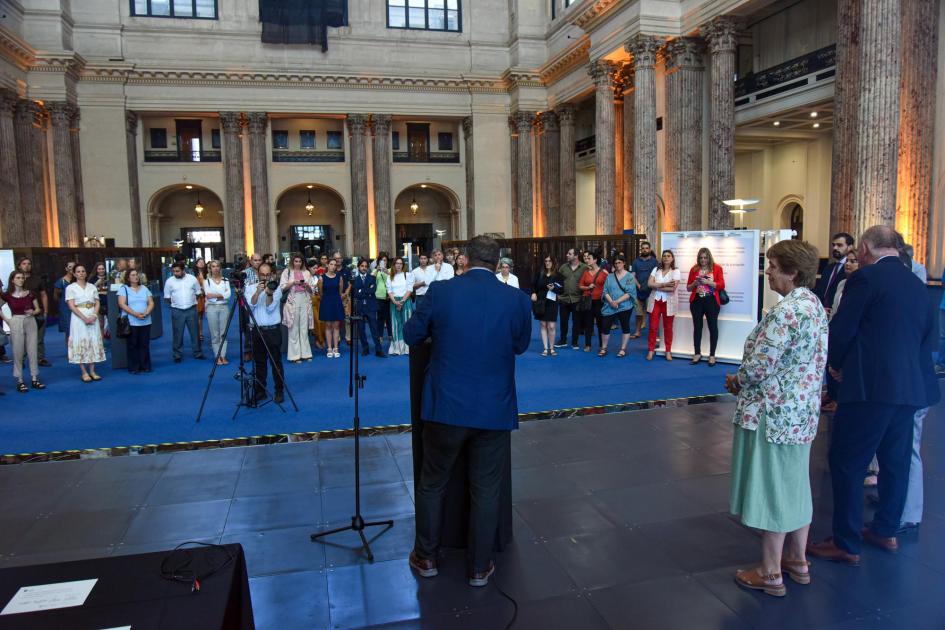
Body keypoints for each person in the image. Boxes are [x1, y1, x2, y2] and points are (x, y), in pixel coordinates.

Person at [807, 226, 940, 566]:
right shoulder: (918, 283)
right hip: (910, 389)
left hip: (870, 387)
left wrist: (835, 368)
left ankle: (846, 541)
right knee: (895, 463)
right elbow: (929, 338)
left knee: (847, 462)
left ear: (865, 247)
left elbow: (843, 329)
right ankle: (886, 530)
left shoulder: (865, 280)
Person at [405, 234, 532, 588]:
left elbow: (412, 334)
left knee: (433, 484)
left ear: (465, 259)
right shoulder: (517, 300)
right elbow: (521, 346)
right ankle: (479, 566)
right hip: (493, 408)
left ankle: (427, 557)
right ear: (497, 262)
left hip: (445, 406)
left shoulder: (442, 292)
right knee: (486, 489)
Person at [726, 239, 827, 597]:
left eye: (771, 266)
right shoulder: (813, 306)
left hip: (774, 414)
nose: (767, 272)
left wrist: (737, 380)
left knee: (772, 489)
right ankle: (798, 561)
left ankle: (770, 573)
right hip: (801, 413)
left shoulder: (786, 312)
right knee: (795, 485)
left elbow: (759, 366)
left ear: (792, 272)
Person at [3, 271, 45, 392]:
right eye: (18, 278)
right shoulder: (7, 295)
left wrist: (33, 312)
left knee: (33, 350)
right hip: (16, 321)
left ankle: (34, 378)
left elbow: (37, 309)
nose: (21, 280)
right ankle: (20, 380)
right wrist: (8, 320)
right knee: (18, 351)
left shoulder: (30, 294)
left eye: (22, 278)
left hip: (30, 321)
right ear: (12, 280)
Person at [249, 262, 285, 404]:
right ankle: (260, 391)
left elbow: (270, 308)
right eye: (262, 275)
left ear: (272, 275)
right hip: (257, 330)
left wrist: (269, 293)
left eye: (267, 275)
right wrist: (258, 292)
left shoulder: (277, 289)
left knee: (276, 363)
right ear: (258, 274)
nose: (265, 277)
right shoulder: (250, 288)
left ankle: (279, 391)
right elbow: (251, 305)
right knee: (259, 363)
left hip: (273, 330)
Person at [66, 264, 106, 382]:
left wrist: (94, 315)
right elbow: (71, 305)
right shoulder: (71, 288)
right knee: (81, 340)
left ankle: (92, 371)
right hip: (78, 317)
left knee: (93, 340)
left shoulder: (92, 287)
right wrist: (84, 318)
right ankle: (84, 371)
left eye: (83, 271)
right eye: (78, 271)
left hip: (92, 315)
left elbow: (97, 302)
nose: (81, 273)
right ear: (74, 274)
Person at [687, 247, 725, 366]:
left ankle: (712, 355)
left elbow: (722, 285)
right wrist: (695, 283)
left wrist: (708, 282)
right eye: (701, 258)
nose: (703, 260)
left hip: (711, 301)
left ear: (709, 257)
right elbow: (688, 288)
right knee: (697, 327)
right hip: (697, 301)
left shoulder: (717, 268)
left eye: (705, 257)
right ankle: (697, 353)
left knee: (713, 327)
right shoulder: (694, 269)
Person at [163, 261, 205, 363]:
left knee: (195, 332)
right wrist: (176, 304)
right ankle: (177, 355)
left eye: (177, 271)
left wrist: (191, 301)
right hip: (177, 310)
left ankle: (197, 352)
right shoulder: (169, 281)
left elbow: (199, 293)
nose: (175, 273)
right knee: (177, 334)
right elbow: (167, 298)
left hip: (191, 309)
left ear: (183, 270)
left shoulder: (192, 279)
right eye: (173, 271)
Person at [280, 254, 317, 363]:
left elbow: (312, 291)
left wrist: (307, 286)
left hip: (305, 301)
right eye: (296, 261)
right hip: (293, 301)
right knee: (293, 328)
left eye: (300, 261)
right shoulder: (287, 272)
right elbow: (282, 288)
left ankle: (306, 353)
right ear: (292, 261)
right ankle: (294, 356)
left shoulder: (306, 273)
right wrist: (292, 283)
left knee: (304, 328)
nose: (298, 263)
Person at [598, 255, 637, 358]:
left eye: (619, 262)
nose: (617, 265)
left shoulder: (629, 276)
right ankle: (604, 348)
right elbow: (605, 291)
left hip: (625, 306)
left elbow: (630, 292)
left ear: (624, 263)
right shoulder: (610, 276)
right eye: (615, 263)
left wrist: (617, 302)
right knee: (605, 326)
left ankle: (623, 349)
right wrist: (611, 302)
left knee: (625, 326)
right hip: (609, 305)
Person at [645, 250, 680, 361]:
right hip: (655, 300)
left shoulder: (675, 271)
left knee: (668, 328)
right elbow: (649, 284)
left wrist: (657, 286)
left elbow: (672, 288)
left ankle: (668, 351)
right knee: (653, 327)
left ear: (672, 258)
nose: (666, 258)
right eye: (664, 256)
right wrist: (664, 284)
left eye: (668, 256)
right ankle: (651, 350)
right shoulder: (656, 269)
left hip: (668, 302)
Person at [118, 268, 154, 374]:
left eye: (136, 274)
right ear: (128, 278)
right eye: (133, 275)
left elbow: (151, 302)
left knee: (144, 344)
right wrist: (135, 314)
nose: (136, 277)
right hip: (131, 321)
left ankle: (145, 365)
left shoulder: (144, 288)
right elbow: (122, 304)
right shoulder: (123, 289)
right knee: (132, 344)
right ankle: (134, 367)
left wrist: (147, 312)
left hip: (146, 321)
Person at [17, 257, 51, 367]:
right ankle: (21, 360)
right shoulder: (16, 279)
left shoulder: (37, 279)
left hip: (38, 312)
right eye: (24, 263)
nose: (26, 265)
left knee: (39, 338)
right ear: (19, 266)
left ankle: (40, 358)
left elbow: (43, 295)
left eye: (28, 263)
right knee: (23, 339)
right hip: (22, 314)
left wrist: (45, 311)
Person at [351, 258, 386, 357]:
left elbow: (372, 291)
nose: (364, 268)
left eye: (366, 266)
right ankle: (365, 348)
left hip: (371, 307)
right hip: (360, 307)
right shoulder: (355, 280)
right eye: (362, 266)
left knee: (374, 330)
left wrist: (361, 290)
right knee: (361, 330)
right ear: (358, 267)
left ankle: (379, 349)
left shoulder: (372, 278)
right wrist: (366, 290)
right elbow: (355, 294)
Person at [814, 232, 855, 313]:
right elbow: (820, 290)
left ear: (849, 247)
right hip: (820, 311)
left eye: (839, 245)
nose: (835, 248)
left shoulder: (851, 269)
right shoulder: (828, 268)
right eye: (833, 245)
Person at [531, 254, 563, 356]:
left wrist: (554, 289)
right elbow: (533, 285)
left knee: (552, 326)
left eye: (549, 261)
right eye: (546, 261)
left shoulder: (558, 275)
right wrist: (533, 293)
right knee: (543, 324)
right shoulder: (539, 273)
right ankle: (545, 348)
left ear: (553, 262)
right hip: (541, 301)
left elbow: (562, 290)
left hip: (552, 302)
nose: (547, 263)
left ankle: (552, 348)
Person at [555, 248, 586, 349]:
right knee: (563, 321)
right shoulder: (563, 267)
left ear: (576, 256)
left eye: (569, 254)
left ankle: (575, 342)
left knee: (576, 322)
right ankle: (563, 340)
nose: (567, 255)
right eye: (567, 253)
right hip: (564, 298)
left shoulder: (584, 267)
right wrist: (558, 294)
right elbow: (557, 280)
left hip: (577, 299)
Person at [578, 251, 608, 353]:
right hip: (587, 300)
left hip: (600, 301)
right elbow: (580, 286)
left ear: (595, 260)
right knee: (588, 324)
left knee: (600, 324)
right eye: (586, 258)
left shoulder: (604, 273)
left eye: (589, 258)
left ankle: (601, 345)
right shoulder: (585, 272)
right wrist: (588, 287)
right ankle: (587, 344)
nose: (587, 260)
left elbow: (608, 287)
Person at [204, 260, 231, 365]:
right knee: (215, 334)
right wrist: (221, 295)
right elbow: (208, 296)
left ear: (220, 268)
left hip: (224, 308)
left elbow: (228, 295)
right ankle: (217, 356)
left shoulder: (226, 280)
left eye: (217, 266)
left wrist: (216, 295)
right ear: (210, 268)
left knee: (224, 333)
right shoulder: (207, 281)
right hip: (211, 308)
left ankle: (223, 355)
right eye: (213, 266)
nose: (215, 268)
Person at [318, 259, 346, 358]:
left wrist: (336, 298)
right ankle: (329, 347)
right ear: (327, 265)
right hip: (326, 302)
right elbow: (320, 292)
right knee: (328, 325)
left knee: (337, 326)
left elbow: (340, 291)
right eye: (331, 264)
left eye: (335, 264)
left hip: (336, 301)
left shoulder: (339, 277)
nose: (333, 266)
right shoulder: (321, 278)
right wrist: (325, 299)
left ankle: (336, 347)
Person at [631, 241, 659, 339]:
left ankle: (654, 334)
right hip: (638, 291)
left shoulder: (655, 262)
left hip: (651, 292)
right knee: (638, 313)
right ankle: (637, 331)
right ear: (641, 250)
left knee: (652, 314)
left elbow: (658, 276)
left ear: (650, 249)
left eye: (647, 248)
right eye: (643, 248)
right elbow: (632, 275)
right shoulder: (636, 261)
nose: (645, 250)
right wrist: (638, 285)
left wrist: (651, 285)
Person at [53, 261, 75, 346]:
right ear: (66, 268)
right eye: (70, 267)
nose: (72, 269)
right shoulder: (61, 281)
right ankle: (70, 351)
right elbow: (55, 296)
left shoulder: (78, 280)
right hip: (65, 308)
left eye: (74, 267)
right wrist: (64, 303)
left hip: (77, 306)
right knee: (69, 330)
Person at [373, 253, 392, 342]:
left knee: (389, 317)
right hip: (379, 296)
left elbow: (394, 278)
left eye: (385, 260)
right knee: (380, 317)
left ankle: (390, 335)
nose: (383, 262)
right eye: (381, 260)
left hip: (389, 296)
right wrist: (377, 270)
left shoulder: (390, 270)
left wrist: (387, 272)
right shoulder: (376, 270)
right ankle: (380, 335)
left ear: (387, 261)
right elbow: (370, 279)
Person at [194, 257, 208, 342]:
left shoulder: (207, 273)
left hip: (208, 296)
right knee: (199, 316)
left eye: (203, 262)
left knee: (210, 315)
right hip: (199, 297)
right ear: (196, 264)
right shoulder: (194, 275)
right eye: (199, 262)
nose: (202, 263)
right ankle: (200, 333)